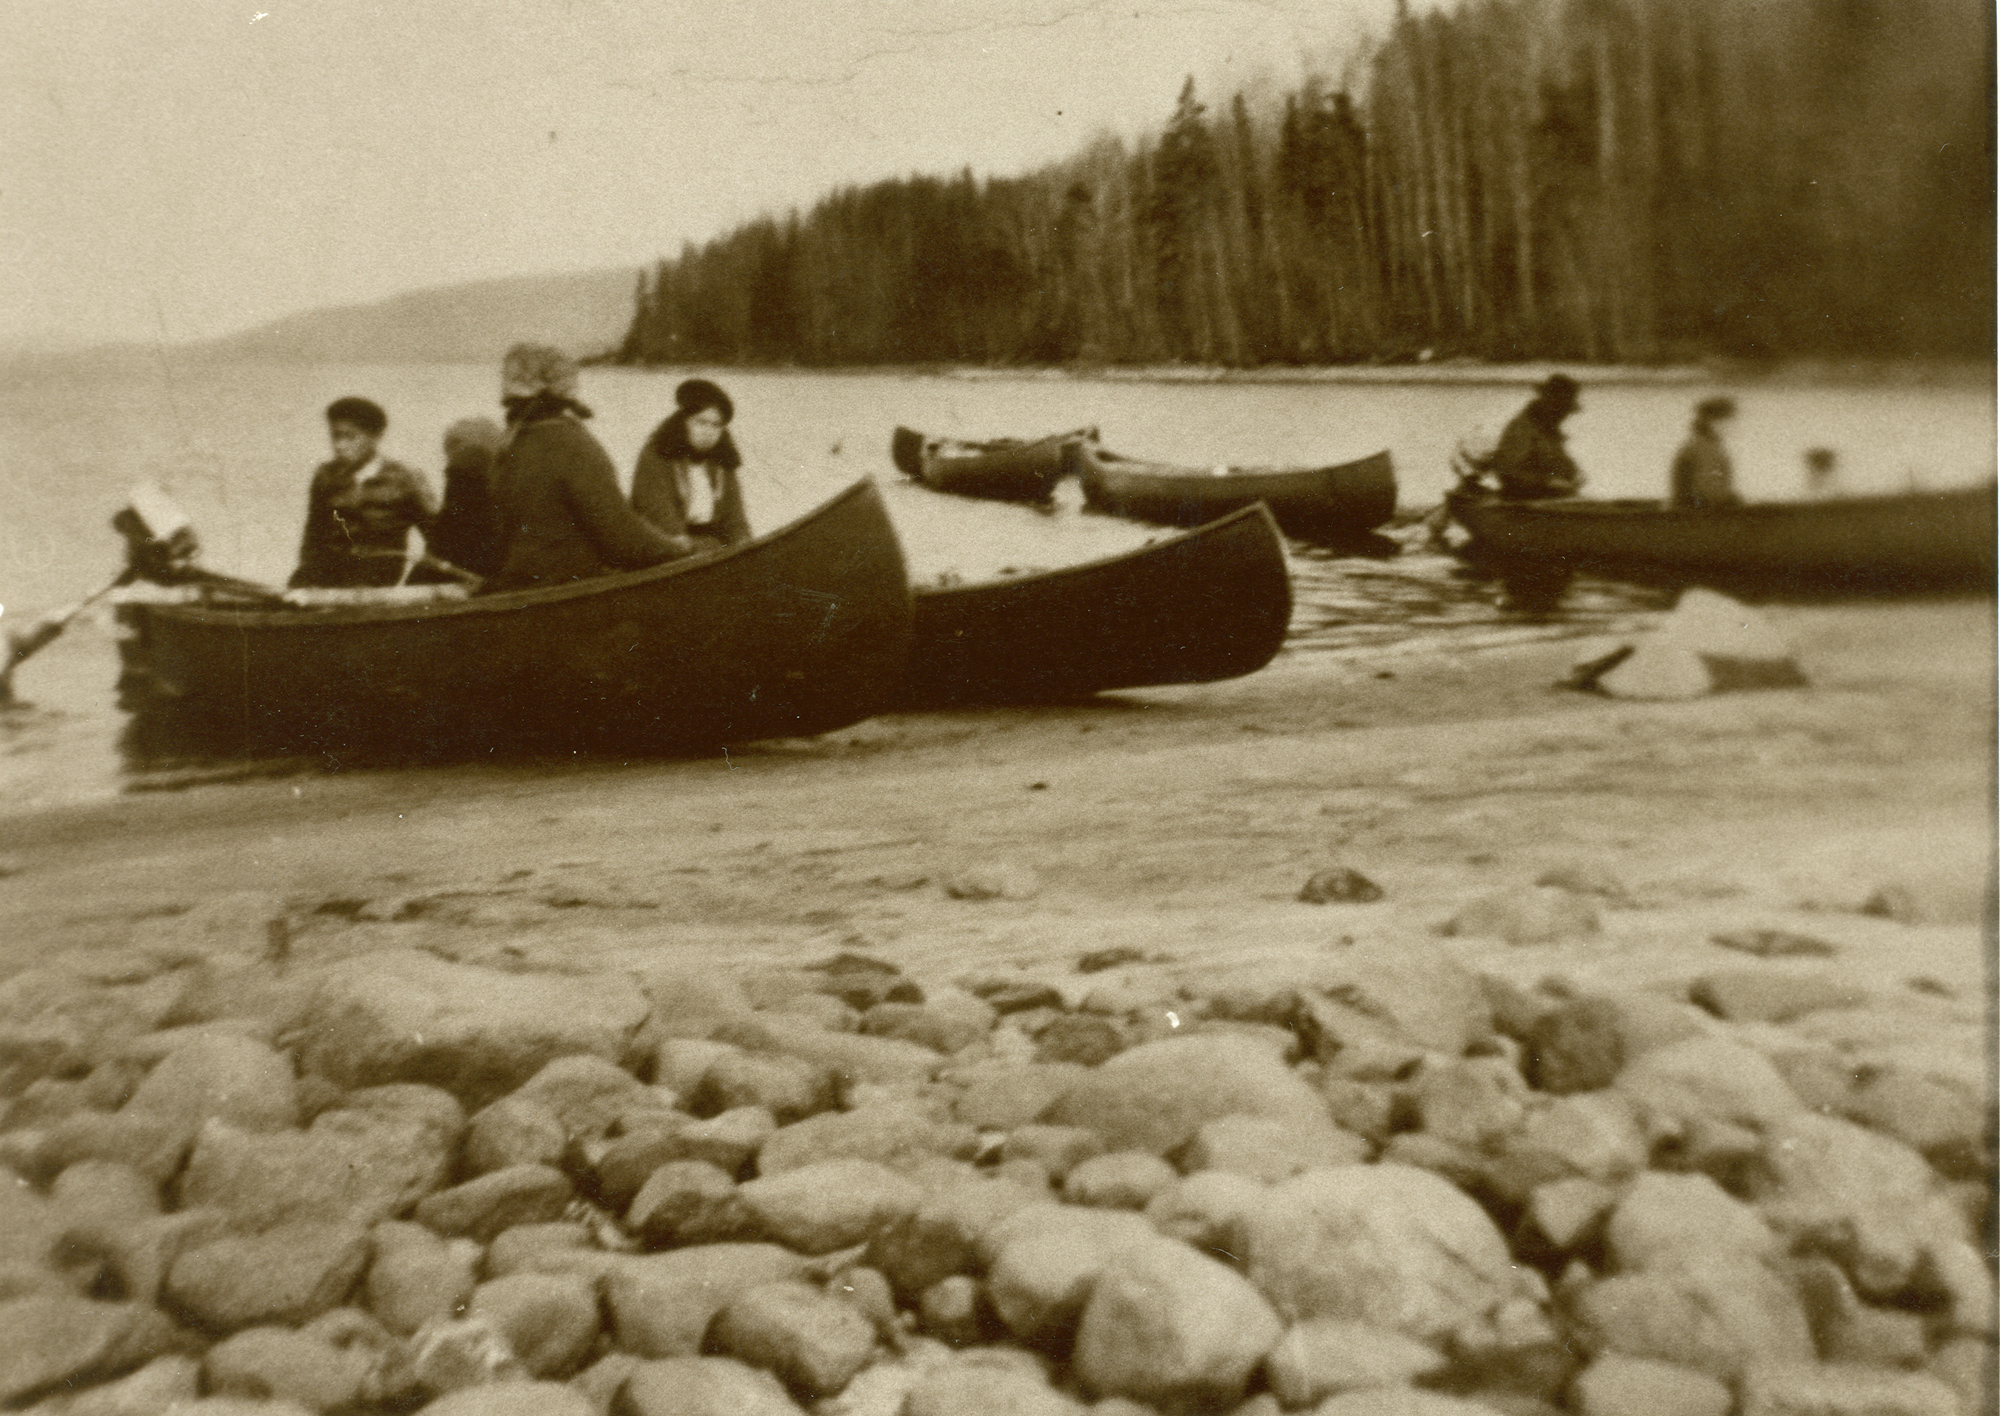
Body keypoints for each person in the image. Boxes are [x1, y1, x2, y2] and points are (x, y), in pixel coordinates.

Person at [481, 344, 691, 593]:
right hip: (572, 589)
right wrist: (679, 548)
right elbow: (623, 540)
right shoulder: (572, 445)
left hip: (521, 586)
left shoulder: (509, 444)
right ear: (566, 389)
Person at [288, 397, 437, 588]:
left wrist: (418, 584)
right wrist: (305, 582)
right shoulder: (325, 476)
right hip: (327, 583)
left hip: (378, 586)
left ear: (376, 437)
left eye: (349, 437)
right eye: (335, 436)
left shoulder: (405, 479)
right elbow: (313, 539)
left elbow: (438, 538)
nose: (339, 445)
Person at [630, 378, 752, 554]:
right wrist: (699, 551)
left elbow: (735, 518)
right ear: (683, 422)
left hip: (711, 547)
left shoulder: (722, 461)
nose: (709, 431)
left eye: (716, 425)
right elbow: (658, 515)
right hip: (666, 547)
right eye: (701, 422)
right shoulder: (657, 455)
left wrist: (744, 546)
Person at [411, 416, 508, 582]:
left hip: (466, 575)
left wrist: (422, 503)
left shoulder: (468, 461)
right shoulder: (504, 478)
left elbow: (453, 538)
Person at [1487, 374, 1586, 500]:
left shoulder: (1548, 430)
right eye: (1559, 409)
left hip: (1555, 503)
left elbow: (1562, 466)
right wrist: (1545, 482)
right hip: (1524, 505)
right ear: (1547, 402)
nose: (1564, 416)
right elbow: (1506, 471)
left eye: (1565, 410)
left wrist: (1574, 474)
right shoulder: (1522, 429)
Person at [1670, 396, 1742, 509]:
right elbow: (1706, 490)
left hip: (1698, 506)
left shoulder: (1706, 444)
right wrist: (1728, 500)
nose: (1730, 426)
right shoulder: (1701, 447)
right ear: (1712, 421)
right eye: (1725, 420)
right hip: (1694, 511)